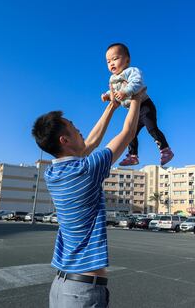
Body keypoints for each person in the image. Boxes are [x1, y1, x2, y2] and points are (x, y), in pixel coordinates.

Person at [31, 90, 142, 308]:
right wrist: (136, 95)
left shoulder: (52, 174)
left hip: (61, 287)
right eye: (76, 130)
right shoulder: (87, 169)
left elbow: (87, 145)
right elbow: (128, 133)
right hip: (82, 292)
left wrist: (112, 105)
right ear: (64, 140)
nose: (82, 133)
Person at [101, 43, 174, 166]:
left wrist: (125, 91)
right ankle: (133, 156)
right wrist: (108, 95)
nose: (111, 63)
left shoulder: (131, 71)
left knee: (151, 127)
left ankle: (165, 150)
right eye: (108, 61)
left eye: (115, 59)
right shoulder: (113, 79)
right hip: (133, 110)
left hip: (145, 105)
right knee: (131, 132)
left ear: (127, 60)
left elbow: (137, 83)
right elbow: (114, 91)